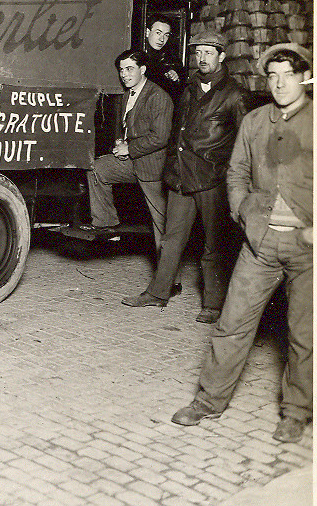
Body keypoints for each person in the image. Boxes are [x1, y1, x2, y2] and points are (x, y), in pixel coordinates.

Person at [171, 43, 312, 444]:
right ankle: (209, 400)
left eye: (288, 74)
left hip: (308, 250)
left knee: (304, 335)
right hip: (261, 244)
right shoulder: (253, 122)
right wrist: (244, 215)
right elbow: (236, 172)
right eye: (273, 75)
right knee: (231, 324)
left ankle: (296, 412)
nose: (281, 82)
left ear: (304, 78)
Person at [122, 31, 248, 322]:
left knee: (213, 244)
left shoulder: (234, 93)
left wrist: (232, 177)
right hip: (181, 174)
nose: (202, 58)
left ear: (221, 56)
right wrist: (170, 165)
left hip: (211, 178)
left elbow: (246, 141)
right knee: (171, 237)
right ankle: (157, 293)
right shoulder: (190, 88)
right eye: (198, 52)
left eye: (208, 52)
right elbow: (177, 128)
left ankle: (214, 304)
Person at [81, 48, 172, 248]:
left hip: (152, 167)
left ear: (143, 69)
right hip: (131, 162)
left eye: (130, 69)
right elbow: (127, 128)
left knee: (162, 223)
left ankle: (170, 276)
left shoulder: (158, 96)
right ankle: (105, 224)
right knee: (97, 168)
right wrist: (120, 142)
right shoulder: (126, 95)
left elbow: (160, 137)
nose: (124, 75)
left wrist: (129, 149)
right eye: (122, 70)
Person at [139, 15, 184, 100]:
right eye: (158, 33)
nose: (162, 39)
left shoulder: (173, 61)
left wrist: (176, 78)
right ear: (147, 32)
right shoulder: (137, 56)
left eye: (166, 35)